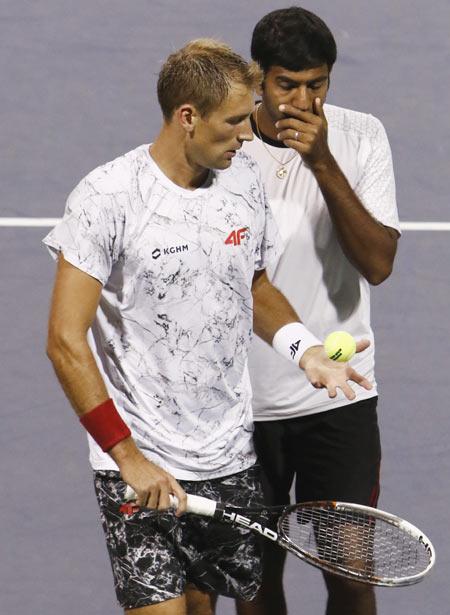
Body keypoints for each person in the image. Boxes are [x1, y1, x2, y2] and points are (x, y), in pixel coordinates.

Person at [44, 38, 371, 615]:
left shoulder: (243, 182)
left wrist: (306, 352)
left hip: (228, 455)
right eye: (237, 120)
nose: (250, 135)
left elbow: (254, 285)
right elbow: (65, 341)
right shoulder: (107, 197)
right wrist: (127, 457)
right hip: (142, 461)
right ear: (187, 117)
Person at [235, 7, 401, 615]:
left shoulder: (361, 137)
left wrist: (322, 160)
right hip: (242, 403)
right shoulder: (224, 147)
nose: (302, 100)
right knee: (254, 586)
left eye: (317, 84)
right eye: (287, 84)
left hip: (341, 392)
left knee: (354, 576)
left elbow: (378, 263)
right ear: (258, 79)